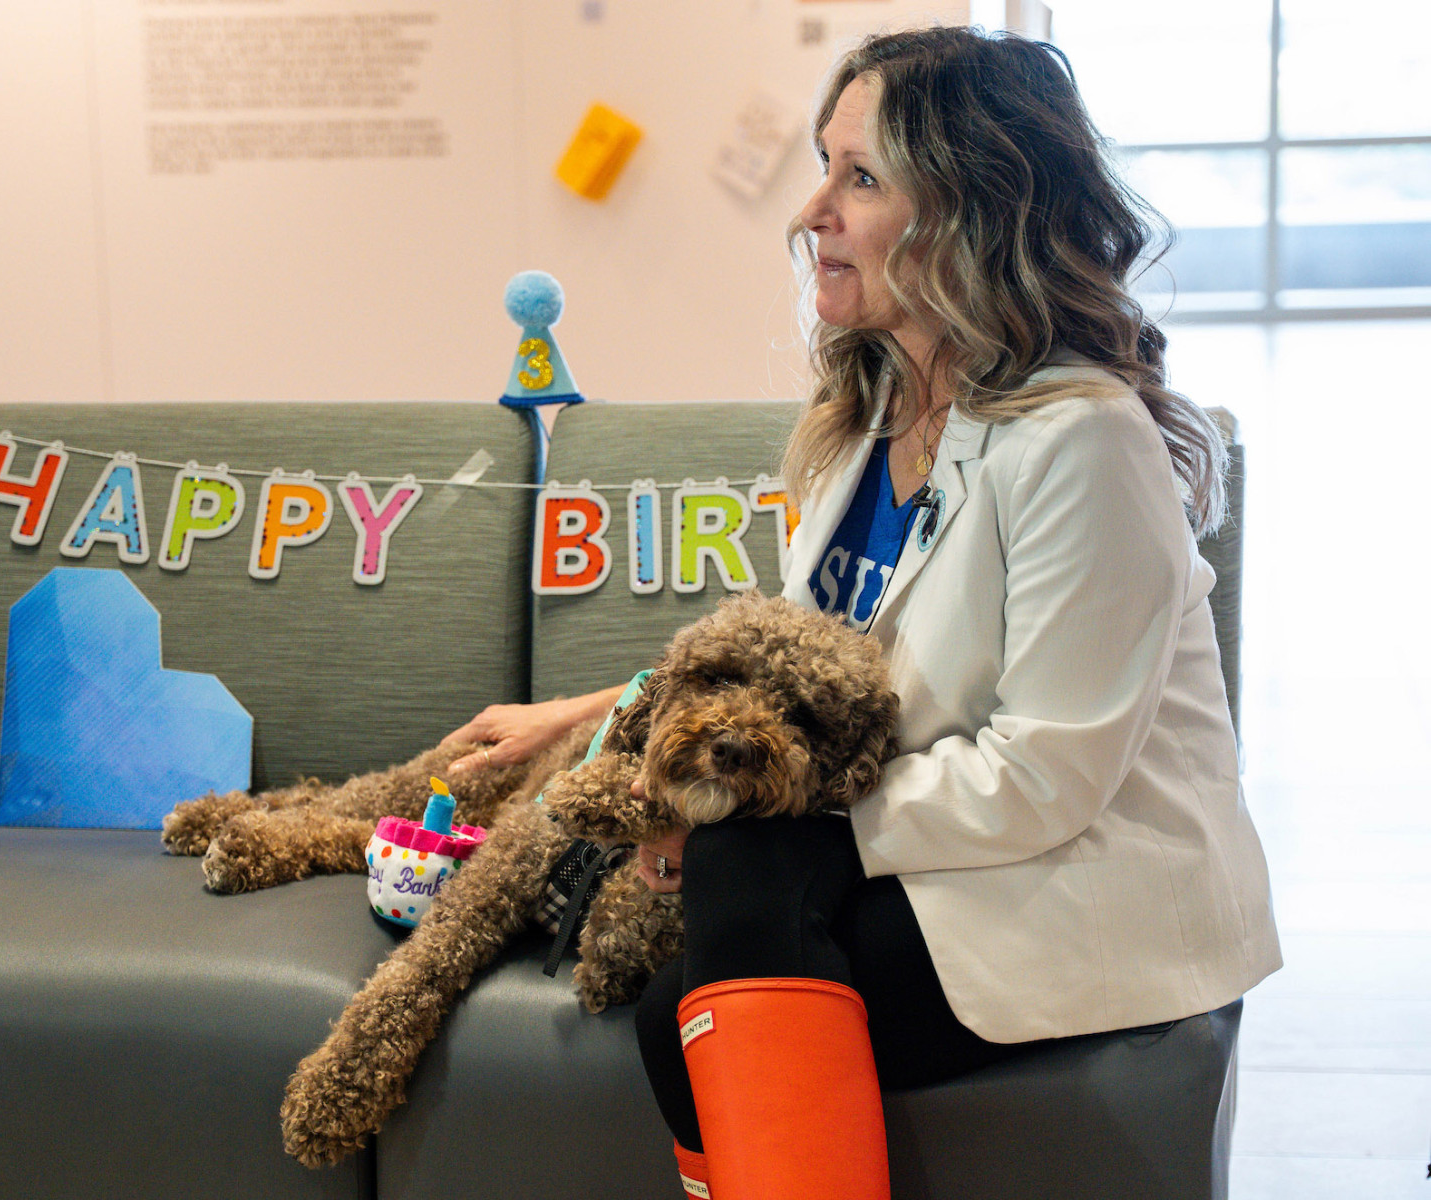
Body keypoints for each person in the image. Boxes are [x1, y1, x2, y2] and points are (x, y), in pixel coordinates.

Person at [443, 26, 1281, 1200]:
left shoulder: (1081, 441)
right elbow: (810, 677)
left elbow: (1046, 774)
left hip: (1078, 870)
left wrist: (778, 817)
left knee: (719, 923)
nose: (809, 214)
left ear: (970, 213)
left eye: (859, 179)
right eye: (822, 167)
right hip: (954, 842)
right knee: (681, 991)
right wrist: (590, 716)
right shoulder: (871, 412)